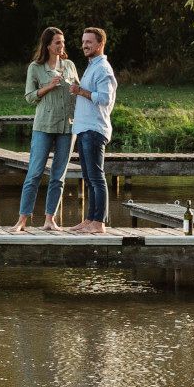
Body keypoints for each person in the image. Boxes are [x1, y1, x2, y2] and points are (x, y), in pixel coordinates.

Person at [18, 27, 78, 229]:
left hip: (67, 128)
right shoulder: (35, 67)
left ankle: (49, 219)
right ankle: (22, 219)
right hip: (43, 126)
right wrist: (49, 87)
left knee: (58, 176)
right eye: (57, 43)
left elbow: (78, 92)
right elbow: (29, 97)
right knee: (34, 173)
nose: (62, 46)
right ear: (48, 45)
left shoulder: (69, 65)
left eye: (63, 42)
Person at [67, 24, 116, 233]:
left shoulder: (103, 69)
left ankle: (99, 223)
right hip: (85, 129)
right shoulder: (91, 66)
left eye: (89, 42)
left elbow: (105, 98)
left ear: (100, 44)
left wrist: (80, 91)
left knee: (97, 176)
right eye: (83, 41)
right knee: (88, 177)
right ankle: (89, 220)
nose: (84, 45)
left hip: (95, 129)